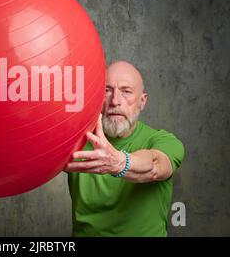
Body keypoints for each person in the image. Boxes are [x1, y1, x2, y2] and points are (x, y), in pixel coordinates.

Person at [65, 60, 185, 236]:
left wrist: (119, 163)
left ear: (142, 102)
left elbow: (155, 166)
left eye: (126, 91)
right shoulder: (74, 141)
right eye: (107, 91)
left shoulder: (163, 141)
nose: (115, 101)